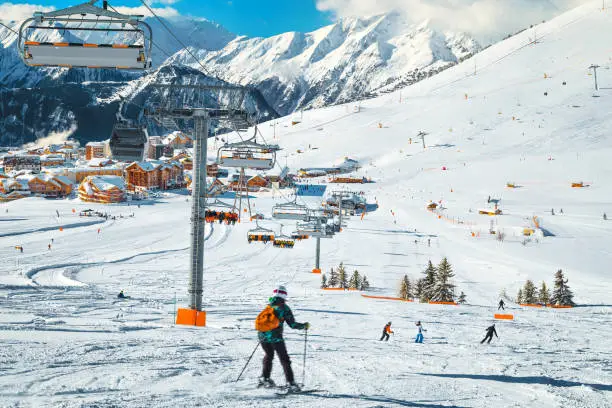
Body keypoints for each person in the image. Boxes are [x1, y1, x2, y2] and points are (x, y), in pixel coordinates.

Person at [256, 285, 309, 392]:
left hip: (262, 336)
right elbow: (292, 324)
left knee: (268, 355)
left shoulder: (269, 306)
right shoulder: (284, 308)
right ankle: (291, 383)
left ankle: (264, 378)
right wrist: (304, 326)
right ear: (284, 295)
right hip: (276, 338)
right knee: (284, 359)